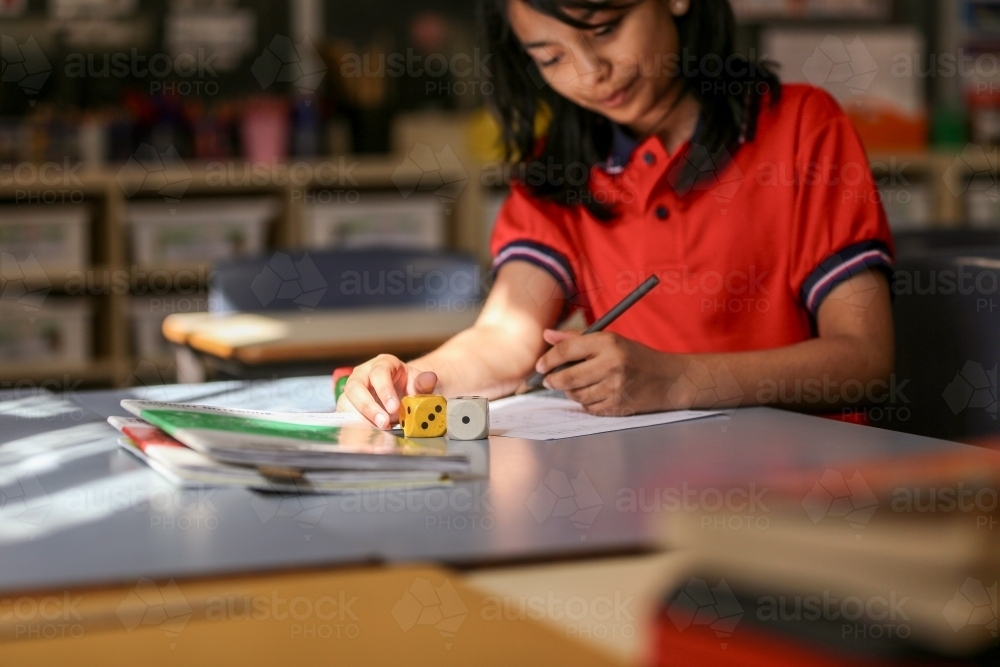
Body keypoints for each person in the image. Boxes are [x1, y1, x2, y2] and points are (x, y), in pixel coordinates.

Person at [338, 0, 894, 428]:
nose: (590, 72)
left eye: (604, 29)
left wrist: (678, 382)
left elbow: (864, 359)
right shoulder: (558, 171)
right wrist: (411, 381)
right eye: (551, 57)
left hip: (805, 493)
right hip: (641, 485)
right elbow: (505, 339)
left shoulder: (800, 128)